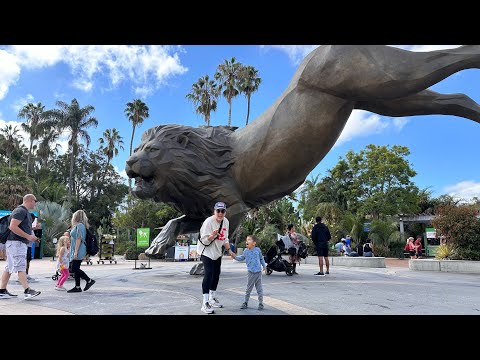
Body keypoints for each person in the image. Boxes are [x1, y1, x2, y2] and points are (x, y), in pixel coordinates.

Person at [0, 194, 41, 300]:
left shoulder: (24, 212)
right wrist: (28, 236)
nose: (35, 203)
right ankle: (27, 290)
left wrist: (32, 229)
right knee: (21, 266)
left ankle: (2, 291)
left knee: (9, 267)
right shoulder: (21, 211)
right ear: (30, 200)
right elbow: (12, 226)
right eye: (35, 201)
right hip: (16, 243)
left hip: (15, 243)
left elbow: (19, 226)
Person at [198, 201, 232, 314]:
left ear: (225, 212)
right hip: (206, 251)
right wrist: (212, 236)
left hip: (217, 252)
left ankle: (212, 299)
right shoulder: (209, 222)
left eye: (223, 211)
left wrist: (229, 250)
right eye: (218, 211)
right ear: (214, 211)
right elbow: (203, 240)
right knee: (209, 274)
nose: (220, 213)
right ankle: (205, 303)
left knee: (216, 274)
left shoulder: (226, 222)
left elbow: (225, 239)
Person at [230, 235, 266, 310]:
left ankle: (261, 303)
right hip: (251, 273)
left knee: (259, 289)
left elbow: (261, 258)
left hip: (258, 273)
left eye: (249, 240)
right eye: (246, 240)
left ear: (254, 243)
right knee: (248, 289)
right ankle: (245, 302)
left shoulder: (257, 250)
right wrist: (235, 257)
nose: (247, 241)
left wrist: (264, 266)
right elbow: (241, 258)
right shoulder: (245, 251)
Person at [67, 209, 95, 293]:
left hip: (79, 249)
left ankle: (89, 280)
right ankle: (77, 286)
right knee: (75, 268)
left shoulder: (80, 226)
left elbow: (79, 239)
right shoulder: (79, 226)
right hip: (77, 248)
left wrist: (75, 252)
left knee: (74, 268)